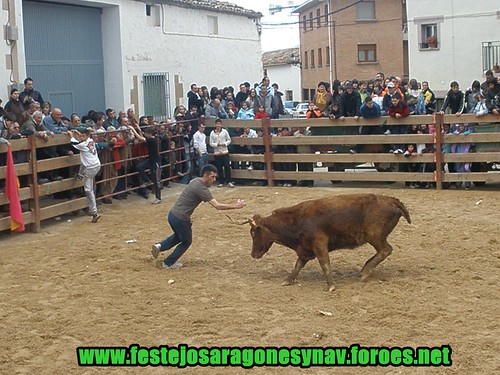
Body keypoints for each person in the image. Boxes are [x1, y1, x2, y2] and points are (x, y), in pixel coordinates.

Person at [151, 164, 246, 269]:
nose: (214, 179)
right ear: (205, 175)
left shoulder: (195, 181)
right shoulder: (201, 189)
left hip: (173, 215)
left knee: (179, 236)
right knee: (186, 241)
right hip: (181, 218)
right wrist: (236, 206)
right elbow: (217, 206)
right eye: (212, 177)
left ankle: (160, 246)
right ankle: (168, 263)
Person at [68, 128, 102, 223]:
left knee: (88, 189)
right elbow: (82, 139)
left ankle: (94, 211)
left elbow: (75, 144)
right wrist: (78, 133)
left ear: (87, 136)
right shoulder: (90, 140)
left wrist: (71, 135)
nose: (82, 137)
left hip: (91, 167)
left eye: (83, 136)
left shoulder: (82, 144)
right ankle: (79, 174)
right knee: (83, 161)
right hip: (96, 165)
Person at [209, 118, 233, 187]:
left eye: (220, 124)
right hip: (217, 153)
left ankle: (229, 181)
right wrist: (217, 145)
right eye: (217, 124)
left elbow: (229, 140)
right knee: (219, 168)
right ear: (215, 125)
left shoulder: (225, 131)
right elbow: (211, 143)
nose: (218, 125)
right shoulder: (212, 133)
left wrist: (224, 144)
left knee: (227, 167)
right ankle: (221, 181)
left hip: (225, 152)